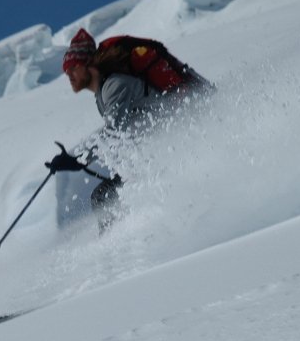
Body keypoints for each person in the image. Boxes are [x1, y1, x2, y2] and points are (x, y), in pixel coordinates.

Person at [47, 28, 209, 232]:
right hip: (162, 151)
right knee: (105, 196)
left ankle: (118, 251)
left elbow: (115, 130)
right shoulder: (103, 92)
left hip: (181, 143)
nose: (68, 74)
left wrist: (78, 159)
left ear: (89, 64)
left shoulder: (115, 84)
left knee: (104, 197)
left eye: (73, 67)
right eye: (66, 69)